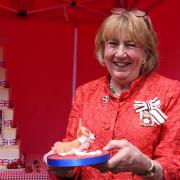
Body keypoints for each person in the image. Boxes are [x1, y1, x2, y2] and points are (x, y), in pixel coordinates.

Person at [48, 8, 180, 179]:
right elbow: (74, 151)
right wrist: (65, 168)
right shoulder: (85, 93)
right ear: (103, 50)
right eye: (113, 44)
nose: (120, 53)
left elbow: (174, 164)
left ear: (146, 53)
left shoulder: (170, 92)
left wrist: (147, 166)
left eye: (131, 45)